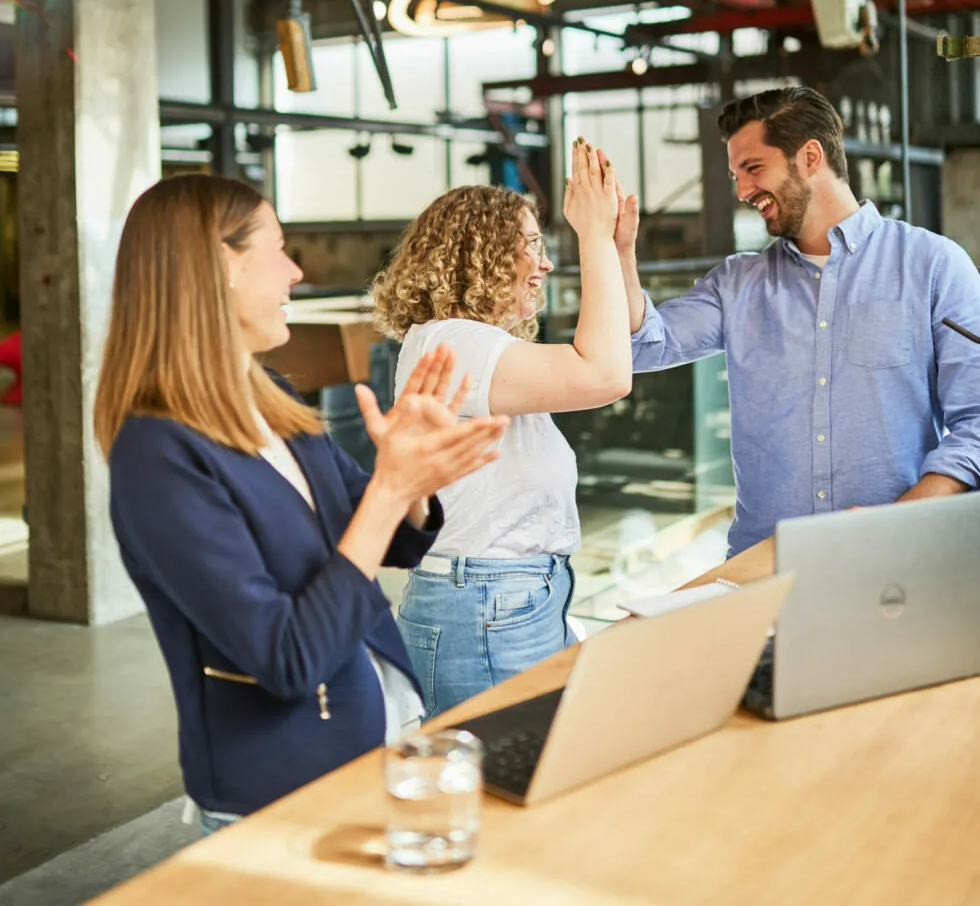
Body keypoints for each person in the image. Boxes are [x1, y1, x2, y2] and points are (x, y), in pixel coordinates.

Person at [93, 174, 508, 835]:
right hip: (282, 797)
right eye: (279, 247)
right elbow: (286, 659)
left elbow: (388, 538)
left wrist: (413, 473)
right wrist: (391, 488)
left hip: (377, 752)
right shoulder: (158, 453)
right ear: (219, 263)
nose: (296, 270)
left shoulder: (272, 400)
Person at [609, 86, 980, 558]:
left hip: (896, 563)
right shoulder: (736, 283)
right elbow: (641, 346)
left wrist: (899, 521)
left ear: (809, 157)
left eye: (753, 168)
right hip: (765, 569)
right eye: (736, 175)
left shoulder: (934, 267)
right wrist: (619, 251)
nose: (742, 191)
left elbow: (976, 423)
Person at [372, 138, 631, 718]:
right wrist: (592, 235)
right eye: (532, 246)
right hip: (485, 604)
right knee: (504, 782)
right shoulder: (453, 341)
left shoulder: (470, 343)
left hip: (508, 599)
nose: (544, 264)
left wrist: (615, 248)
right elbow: (607, 375)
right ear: (482, 255)